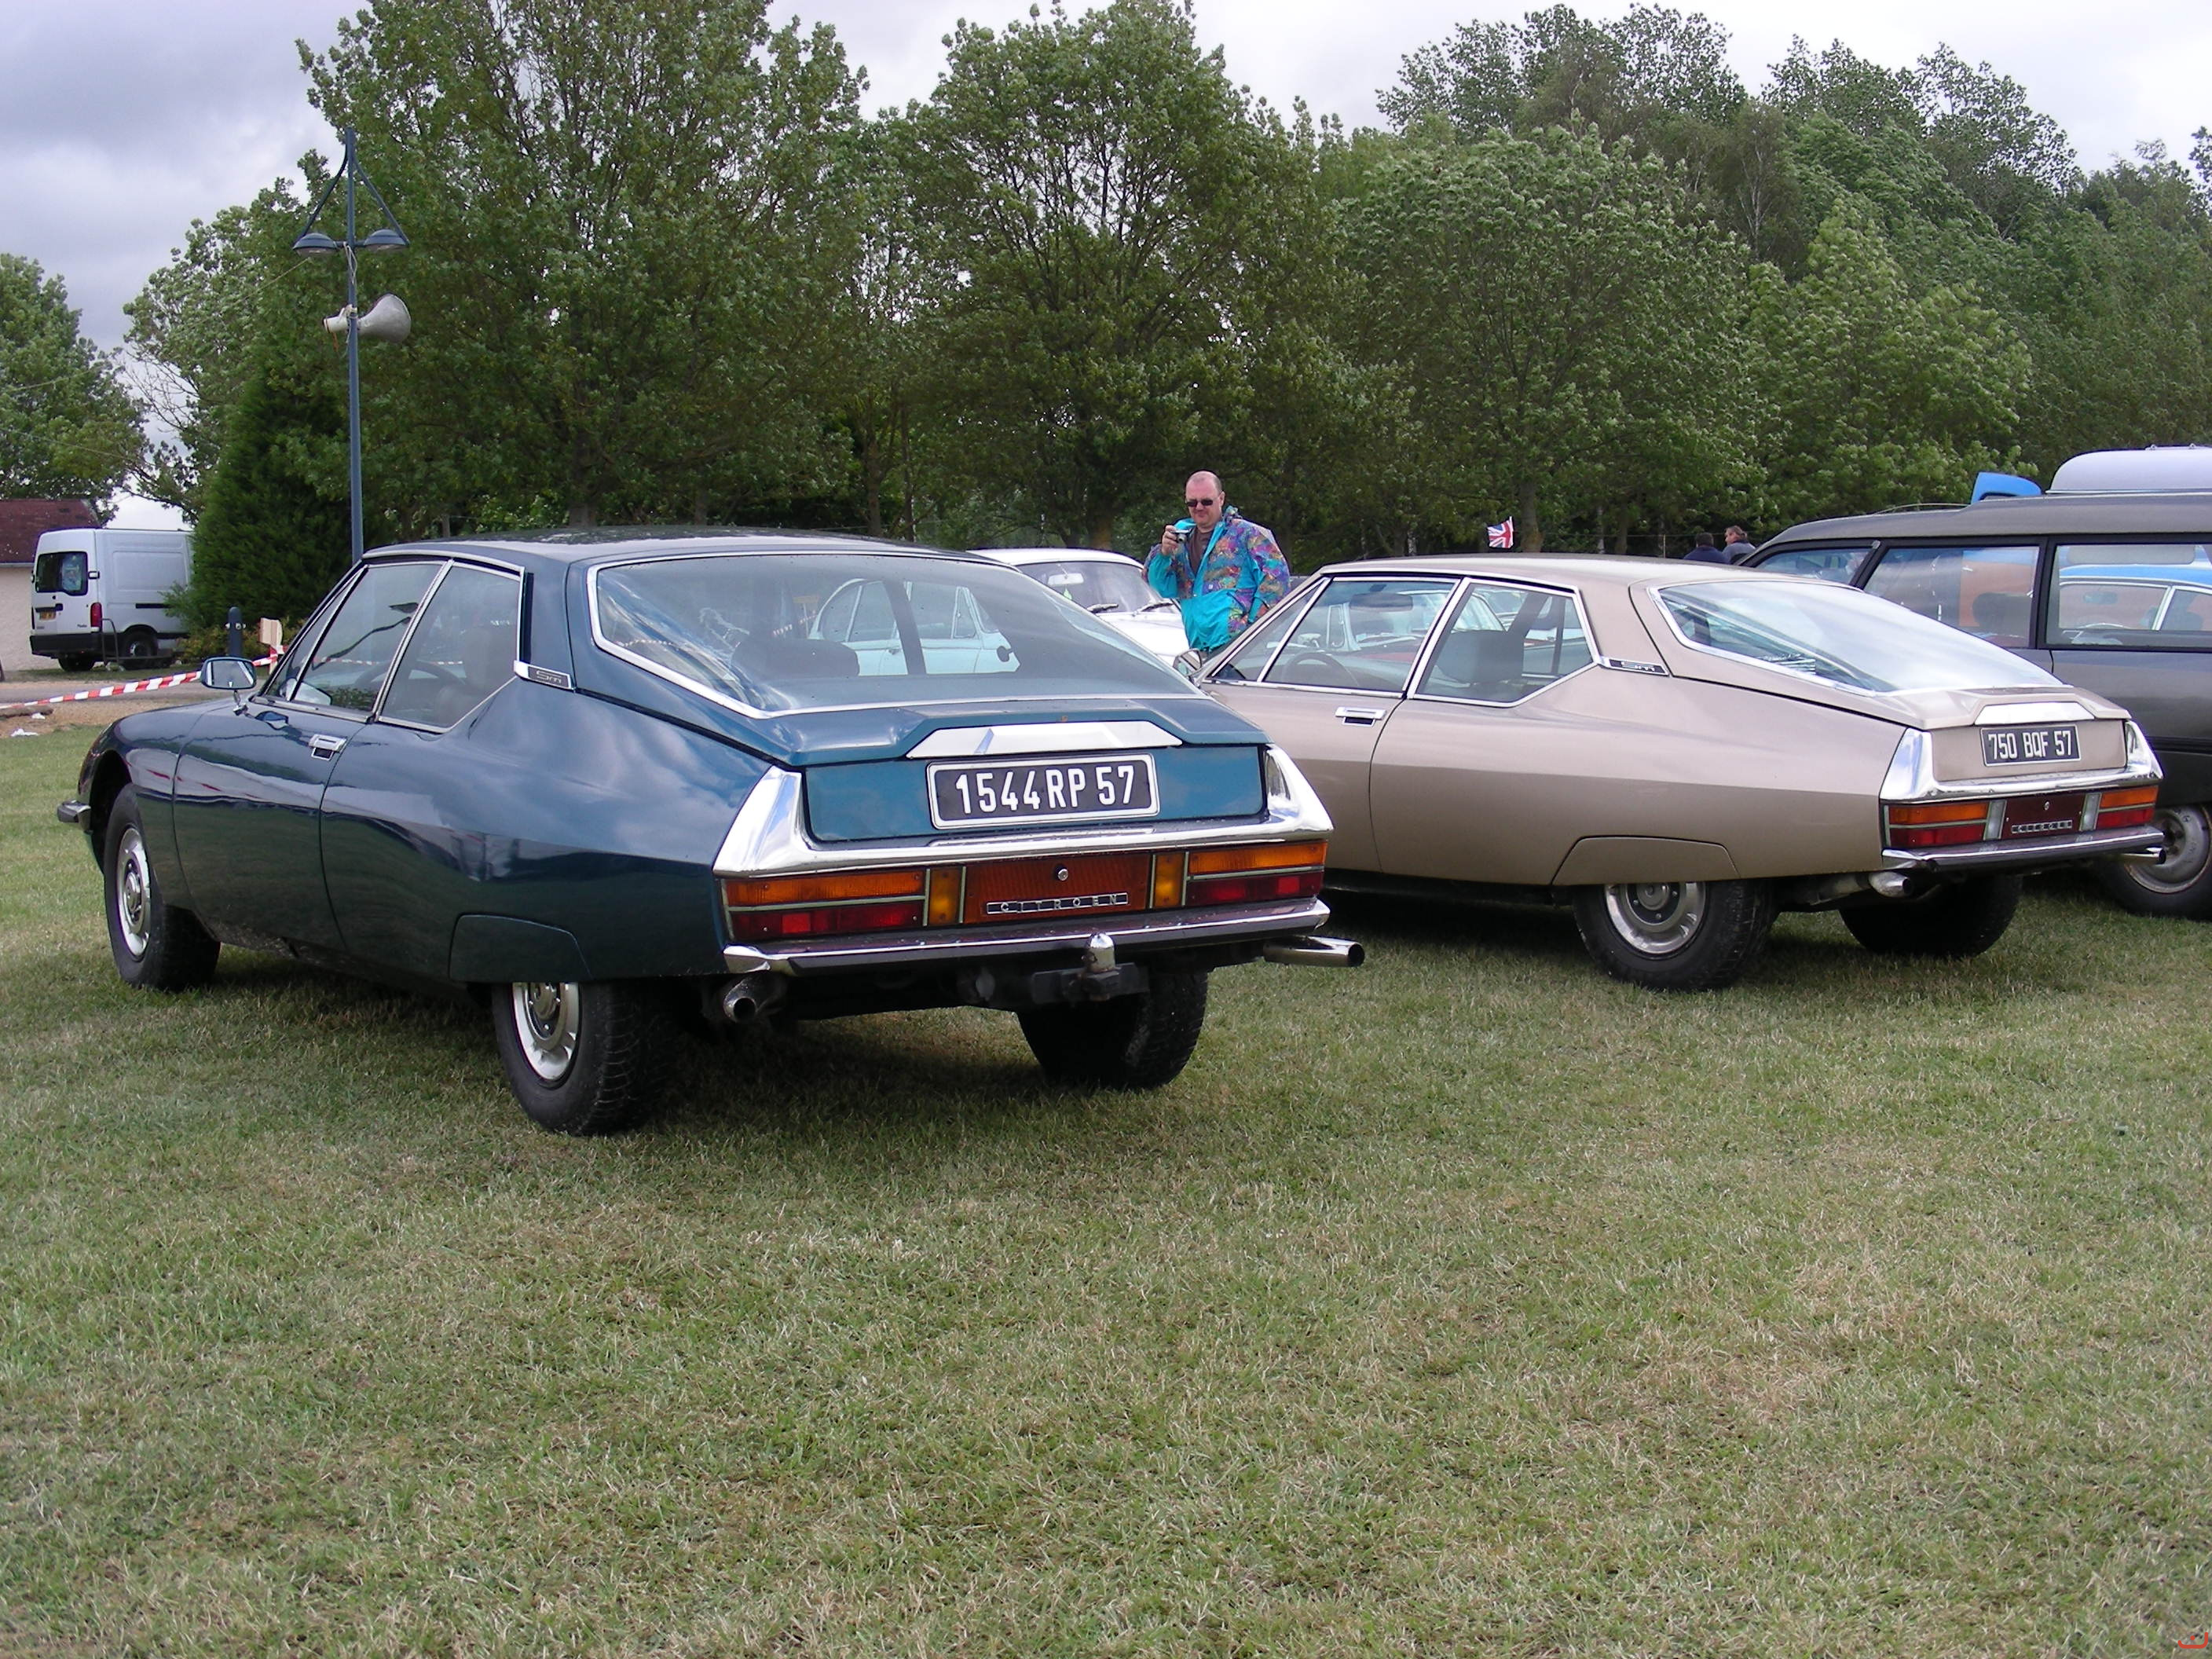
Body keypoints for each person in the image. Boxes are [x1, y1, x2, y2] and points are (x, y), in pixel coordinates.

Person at [1146, 471, 1291, 650]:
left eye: (1206, 501)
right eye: (1192, 503)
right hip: (1199, 648)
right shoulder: (1180, 538)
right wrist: (1164, 554)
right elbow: (1162, 587)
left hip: (1242, 649)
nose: (1199, 507)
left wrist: (1251, 628)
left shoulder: (1246, 534)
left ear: (1221, 499)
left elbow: (1277, 578)